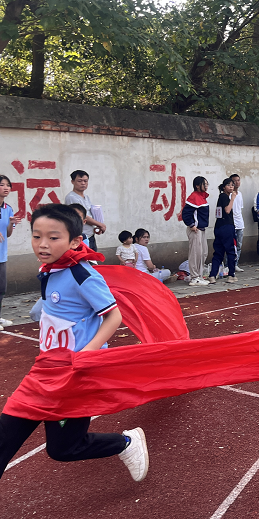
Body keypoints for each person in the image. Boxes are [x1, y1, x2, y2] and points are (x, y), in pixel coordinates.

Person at [0, 203, 148, 481]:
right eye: (36, 236)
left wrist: (86, 354)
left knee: (64, 449)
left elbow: (113, 317)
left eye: (53, 237)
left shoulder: (83, 274)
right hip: (45, 371)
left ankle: (125, 443)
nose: (43, 244)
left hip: (75, 376)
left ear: (75, 241)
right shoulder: (49, 269)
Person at [64, 170, 106, 251]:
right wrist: (101, 225)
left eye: (85, 181)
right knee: (85, 261)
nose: (83, 183)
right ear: (72, 182)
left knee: (93, 261)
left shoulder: (86, 197)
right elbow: (82, 216)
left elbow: (89, 214)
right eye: (79, 181)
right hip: (81, 237)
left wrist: (95, 227)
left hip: (90, 235)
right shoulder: (72, 197)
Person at [0, 175, 21, 328]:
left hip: (1, 255)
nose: (6, 188)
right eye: (2, 185)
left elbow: (8, 234)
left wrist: (11, 224)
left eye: (8, 185)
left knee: (1, 289)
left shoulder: (9, 209)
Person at [181, 176, 210, 286]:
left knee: (203, 253)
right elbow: (186, 213)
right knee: (195, 253)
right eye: (204, 184)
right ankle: (194, 277)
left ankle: (199, 275)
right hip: (195, 230)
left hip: (202, 229)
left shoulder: (202, 198)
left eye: (207, 184)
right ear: (197, 185)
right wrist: (191, 225)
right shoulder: (194, 197)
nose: (206, 186)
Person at [208, 178, 238, 284]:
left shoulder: (221, 197)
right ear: (224, 187)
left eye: (232, 185)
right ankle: (231, 275)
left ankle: (212, 275)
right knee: (231, 251)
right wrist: (233, 198)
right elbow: (227, 210)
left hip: (219, 227)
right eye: (229, 185)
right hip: (227, 227)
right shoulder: (225, 196)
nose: (231, 187)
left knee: (218, 252)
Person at [229, 174, 245, 273]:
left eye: (238, 180)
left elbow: (240, 209)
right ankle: (228, 264)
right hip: (231, 223)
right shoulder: (229, 195)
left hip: (240, 223)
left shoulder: (240, 194)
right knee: (231, 245)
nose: (236, 182)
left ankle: (235, 264)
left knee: (238, 245)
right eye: (234, 181)